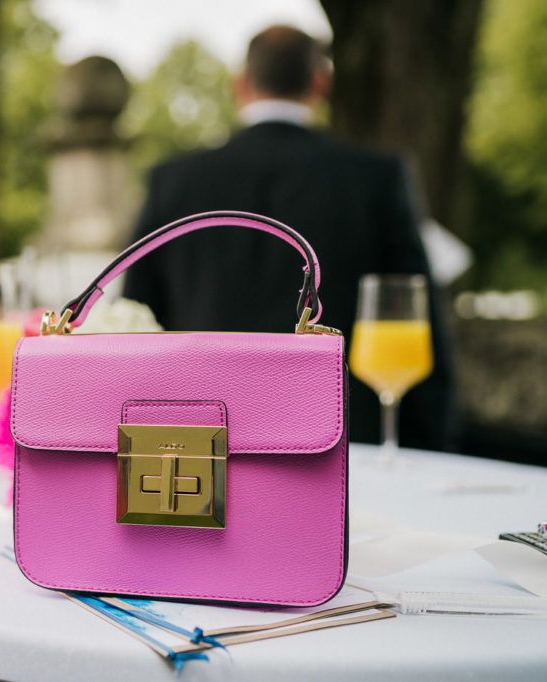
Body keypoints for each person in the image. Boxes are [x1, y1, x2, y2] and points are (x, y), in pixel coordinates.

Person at [122, 25, 456, 452]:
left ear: (240, 85)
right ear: (321, 82)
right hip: (347, 446)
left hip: (202, 446)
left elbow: (136, 322)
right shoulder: (376, 178)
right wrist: (434, 446)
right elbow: (415, 310)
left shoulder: (173, 181)